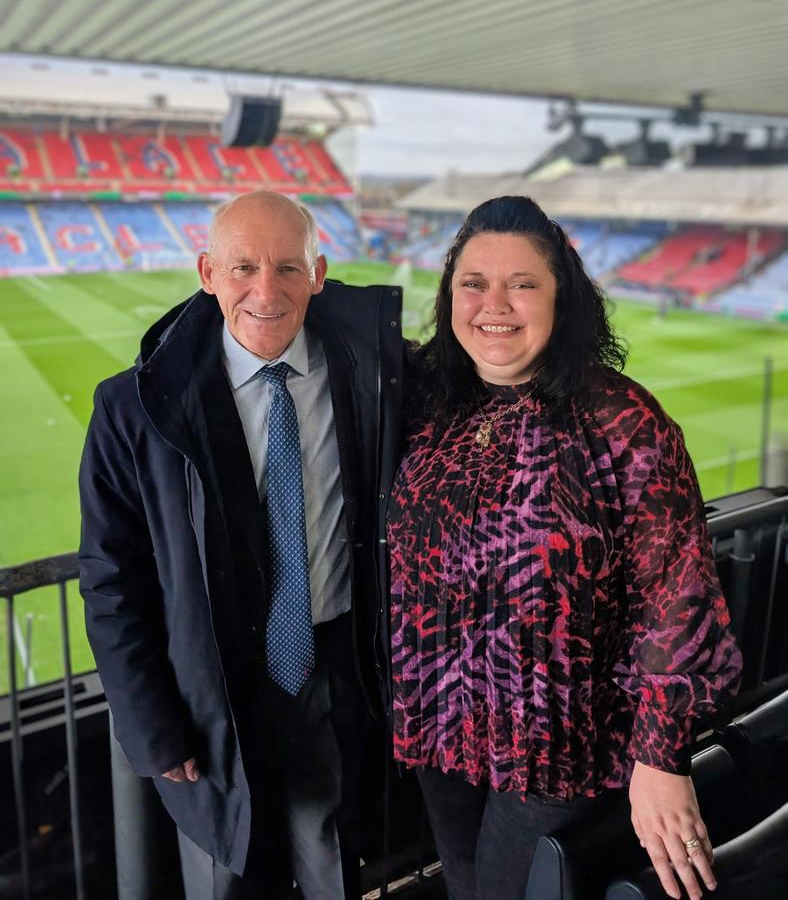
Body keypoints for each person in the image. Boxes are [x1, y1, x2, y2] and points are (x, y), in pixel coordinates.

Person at [387, 196, 742, 900]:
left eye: (522, 283)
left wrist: (661, 758)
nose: (495, 304)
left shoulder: (623, 422)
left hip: (557, 749)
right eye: (473, 283)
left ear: (562, 296)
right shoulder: (426, 400)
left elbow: (679, 596)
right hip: (442, 731)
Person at [79, 190, 402, 899]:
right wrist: (151, 725)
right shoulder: (134, 407)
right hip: (210, 694)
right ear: (206, 272)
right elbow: (111, 580)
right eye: (243, 267)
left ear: (320, 273)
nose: (266, 290)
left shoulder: (375, 374)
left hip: (334, 676)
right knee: (228, 878)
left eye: (289, 268)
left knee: (331, 871)